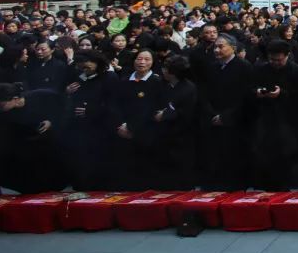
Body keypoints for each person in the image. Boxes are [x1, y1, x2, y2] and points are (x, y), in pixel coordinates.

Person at [248, 39, 298, 190]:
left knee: (287, 157)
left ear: (287, 56)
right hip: (266, 119)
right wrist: (258, 92)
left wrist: (282, 93)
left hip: (289, 121)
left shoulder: (297, 71)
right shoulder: (260, 69)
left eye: (279, 60)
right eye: (272, 59)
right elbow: (250, 89)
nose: (275, 62)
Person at [200, 33, 253, 190]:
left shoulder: (244, 67)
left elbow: (246, 96)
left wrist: (226, 116)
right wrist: (211, 114)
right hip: (212, 120)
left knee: (234, 161)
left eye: (221, 46)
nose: (217, 50)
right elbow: (204, 94)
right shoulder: (211, 67)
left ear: (233, 48)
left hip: (235, 121)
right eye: (215, 46)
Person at [110, 49, 164, 190]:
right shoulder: (124, 80)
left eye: (147, 59)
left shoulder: (157, 81)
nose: (142, 62)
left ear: (152, 62)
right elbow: (115, 105)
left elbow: (153, 109)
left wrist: (133, 128)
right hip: (123, 130)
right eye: (139, 59)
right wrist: (121, 124)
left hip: (146, 133)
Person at [62, 50, 115, 190]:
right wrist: (67, 92)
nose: (85, 70)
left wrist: (92, 111)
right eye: (82, 68)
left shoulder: (109, 78)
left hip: (100, 127)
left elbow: (113, 104)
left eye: (87, 67)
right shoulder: (79, 76)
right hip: (79, 127)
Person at [154, 55, 199, 189]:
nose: (163, 71)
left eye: (166, 68)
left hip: (182, 138)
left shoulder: (189, 88)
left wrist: (166, 114)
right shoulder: (162, 85)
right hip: (163, 136)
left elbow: (188, 113)